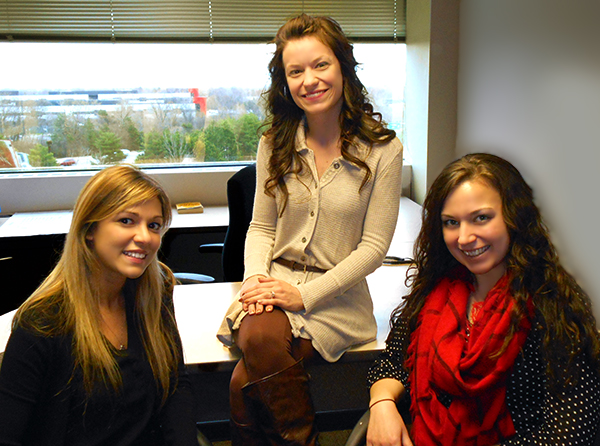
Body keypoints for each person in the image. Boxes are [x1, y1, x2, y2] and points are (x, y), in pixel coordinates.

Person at [216, 13, 403, 446]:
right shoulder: (273, 143)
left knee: (244, 378)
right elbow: (261, 226)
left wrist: (305, 295)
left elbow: (374, 247)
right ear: (284, 81)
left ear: (342, 67)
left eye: (320, 65)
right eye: (295, 71)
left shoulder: (382, 150)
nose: (309, 80)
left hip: (336, 299)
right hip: (271, 286)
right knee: (260, 337)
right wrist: (255, 281)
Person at [366, 153, 600, 446]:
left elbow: (570, 433)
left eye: (481, 218)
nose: (464, 237)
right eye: (451, 222)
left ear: (514, 217)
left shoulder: (552, 302)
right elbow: (391, 362)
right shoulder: (436, 290)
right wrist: (382, 402)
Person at [0, 165, 198, 445]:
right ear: (90, 229)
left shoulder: (153, 293)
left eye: (153, 225)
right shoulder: (44, 323)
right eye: (127, 221)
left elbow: (176, 385)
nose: (144, 237)